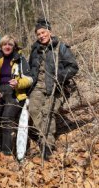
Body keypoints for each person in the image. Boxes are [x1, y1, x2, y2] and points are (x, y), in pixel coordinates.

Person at [28, 18, 79, 160]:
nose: (41, 36)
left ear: (50, 32)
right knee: (33, 109)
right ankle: (41, 134)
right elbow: (31, 68)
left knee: (48, 112)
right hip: (37, 86)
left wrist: (59, 77)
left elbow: (73, 67)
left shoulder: (60, 47)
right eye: (38, 34)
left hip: (55, 86)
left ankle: (47, 144)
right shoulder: (34, 49)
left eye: (43, 32)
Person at [0, 35, 33, 157]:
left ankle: (7, 151)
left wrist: (18, 83)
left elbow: (29, 79)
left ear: (14, 46)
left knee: (7, 118)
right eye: (5, 44)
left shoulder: (20, 59)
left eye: (10, 44)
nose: (7, 47)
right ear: (1, 46)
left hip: (15, 93)